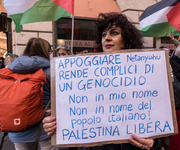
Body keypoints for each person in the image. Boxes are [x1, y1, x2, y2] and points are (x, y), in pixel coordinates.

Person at [43, 12, 165, 150]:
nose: (107, 38)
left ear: (127, 38)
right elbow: (74, 119)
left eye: (114, 33)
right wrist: (57, 125)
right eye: (103, 35)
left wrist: (154, 144)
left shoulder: (147, 70)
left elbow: (162, 116)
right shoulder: (82, 73)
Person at [7, 38, 56, 150]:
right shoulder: (50, 71)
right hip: (45, 127)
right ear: (46, 51)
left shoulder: (10, 69)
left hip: (17, 125)